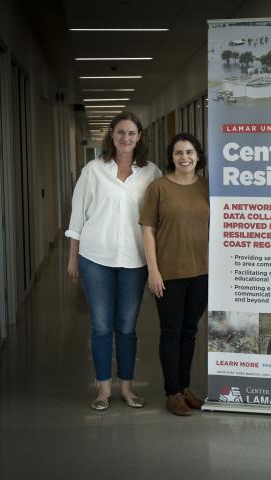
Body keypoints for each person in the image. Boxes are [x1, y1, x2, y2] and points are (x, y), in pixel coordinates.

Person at [66, 111, 161, 411]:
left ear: (139, 137)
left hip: (135, 260)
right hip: (95, 258)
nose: (126, 138)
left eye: (132, 133)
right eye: (121, 132)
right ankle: (103, 389)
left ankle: (128, 389)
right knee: (101, 326)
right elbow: (77, 217)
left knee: (127, 327)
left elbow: (158, 218)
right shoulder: (93, 170)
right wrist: (73, 258)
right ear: (111, 135)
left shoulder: (151, 172)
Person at [140, 133, 209, 416]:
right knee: (171, 332)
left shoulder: (206, 186)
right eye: (179, 152)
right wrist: (153, 271)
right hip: (168, 272)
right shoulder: (158, 188)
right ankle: (171, 392)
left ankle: (183, 388)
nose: (184, 158)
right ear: (171, 157)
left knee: (189, 331)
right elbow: (147, 229)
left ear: (197, 156)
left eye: (189, 152)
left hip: (202, 272)